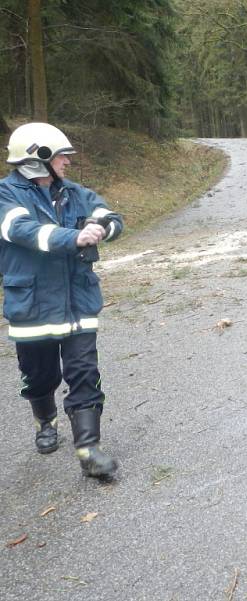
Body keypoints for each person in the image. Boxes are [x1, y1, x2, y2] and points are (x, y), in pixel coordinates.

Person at [0, 122, 123, 479]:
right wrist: (75, 237)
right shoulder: (6, 195)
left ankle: (89, 450)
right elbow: (19, 230)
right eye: (61, 156)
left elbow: (107, 214)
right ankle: (45, 420)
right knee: (40, 377)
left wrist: (105, 227)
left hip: (78, 301)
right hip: (32, 305)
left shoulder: (74, 193)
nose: (67, 162)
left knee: (84, 372)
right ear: (38, 157)